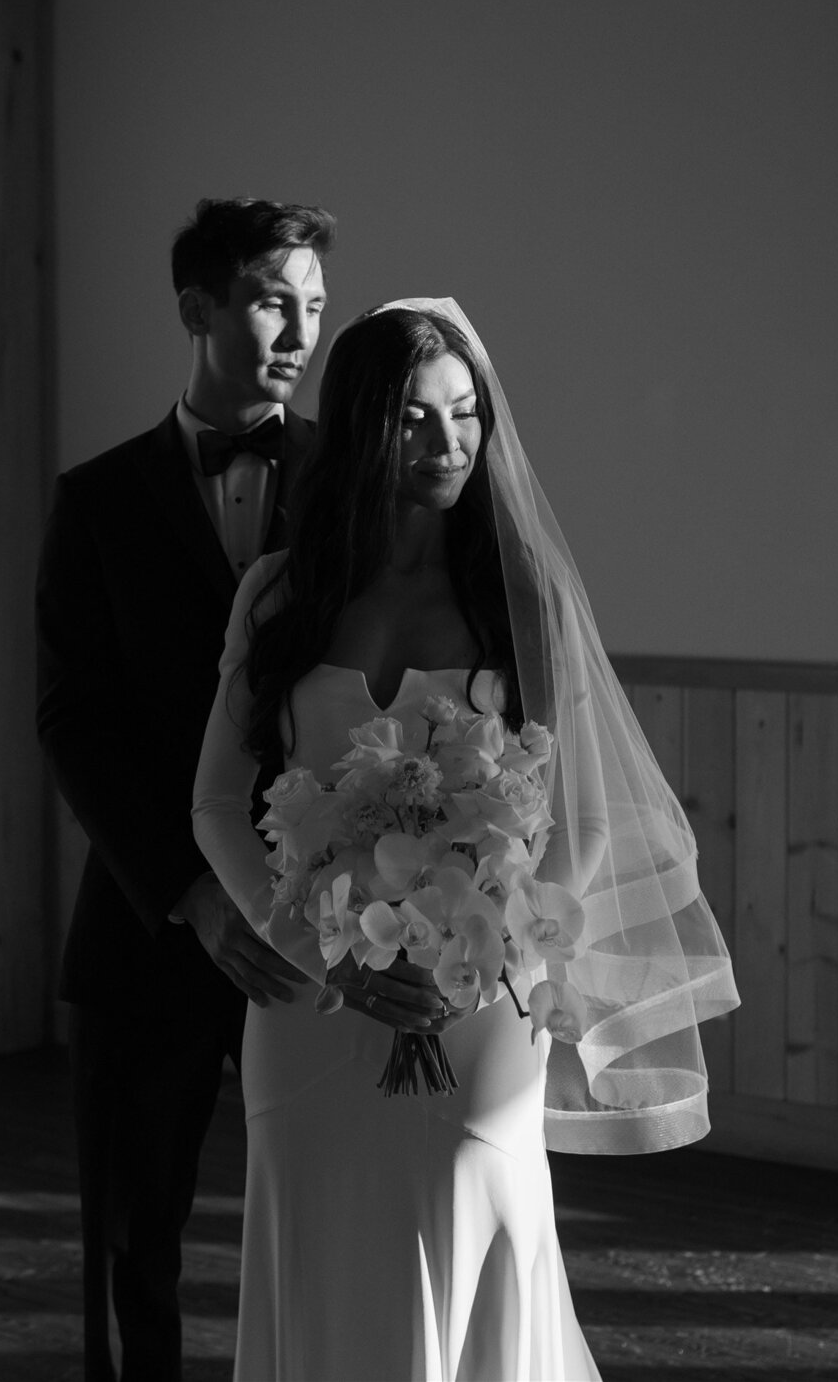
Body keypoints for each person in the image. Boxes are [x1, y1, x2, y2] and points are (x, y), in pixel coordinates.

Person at [192, 298, 740, 1381]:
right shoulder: (279, 596)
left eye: (465, 415)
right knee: (318, 1252)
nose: (446, 445)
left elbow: (577, 824)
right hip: (307, 1005)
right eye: (411, 419)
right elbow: (215, 804)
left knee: (464, 1233)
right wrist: (316, 951)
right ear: (358, 428)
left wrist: (485, 960)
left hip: (482, 1003)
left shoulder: (520, 603)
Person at [35, 197, 336, 1382]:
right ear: (197, 308)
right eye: (273, 299)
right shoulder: (96, 501)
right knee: (130, 1237)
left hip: (320, 925)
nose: (300, 331)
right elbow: (72, 722)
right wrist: (189, 893)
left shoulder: (353, 488)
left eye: (314, 305)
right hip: (145, 923)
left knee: (322, 1211)